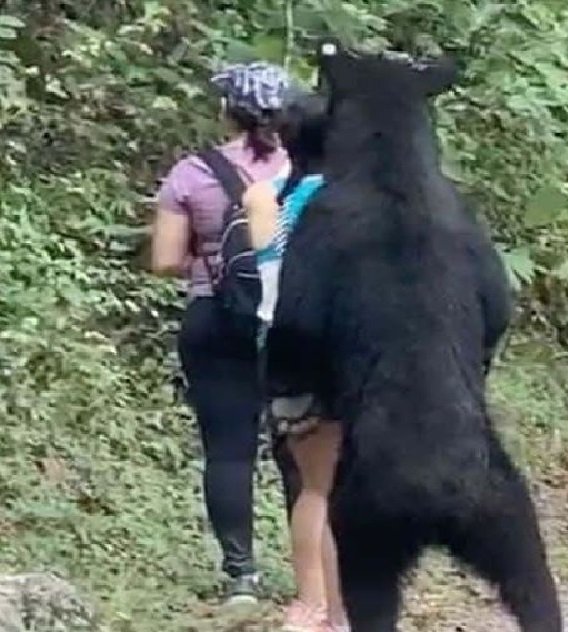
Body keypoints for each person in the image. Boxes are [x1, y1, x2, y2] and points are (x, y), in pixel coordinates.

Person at [150, 61, 293, 604]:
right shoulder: (307, 169)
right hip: (293, 322)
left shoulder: (192, 172)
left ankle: (241, 578)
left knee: (229, 450)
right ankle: (318, 582)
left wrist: (207, 258)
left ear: (226, 111)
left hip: (215, 316)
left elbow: (165, 260)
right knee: (303, 450)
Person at [243, 91, 347, 632]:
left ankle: (314, 605)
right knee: (350, 488)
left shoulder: (264, 197)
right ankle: (341, 610)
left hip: (283, 346)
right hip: (346, 348)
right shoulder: (349, 201)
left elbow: (268, 269)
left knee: (314, 486)